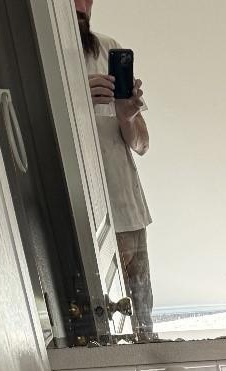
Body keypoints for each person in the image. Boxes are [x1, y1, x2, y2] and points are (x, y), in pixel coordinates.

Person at [74, 0, 153, 339]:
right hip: (80, 218)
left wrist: (126, 113)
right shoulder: (40, 57)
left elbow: (142, 144)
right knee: (95, 330)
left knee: (143, 321)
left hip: (127, 212)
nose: (81, 5)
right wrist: (74, 98)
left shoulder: (109, 49)